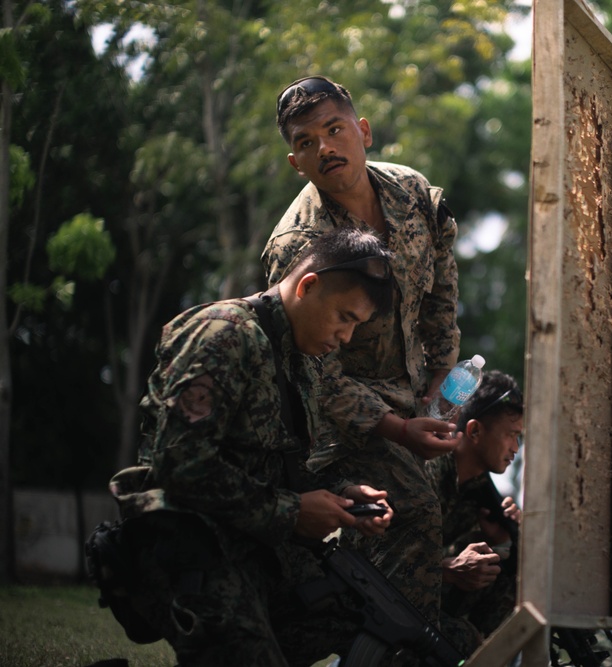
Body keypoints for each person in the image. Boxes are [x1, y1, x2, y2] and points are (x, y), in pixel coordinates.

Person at [108, 227, 396, 667]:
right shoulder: (223, 334)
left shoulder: (297, 359)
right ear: (308, 285)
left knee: (372, 626)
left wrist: (341, 495)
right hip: (189, 543)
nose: (346, 338)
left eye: (356, 325)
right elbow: (179, 462)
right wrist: (293, 512)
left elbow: (276, 464)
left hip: (254, 547)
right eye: (345, 317)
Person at [261, 76, 464, 642]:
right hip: (338, 422)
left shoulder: (412, 192)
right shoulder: (299, 244)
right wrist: (398, 428)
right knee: (415, 514)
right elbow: (313, 372)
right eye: (305, 142)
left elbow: (442, 288)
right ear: (295, 162)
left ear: (363, 132)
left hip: (417, 397)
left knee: (421, 521)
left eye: (334, 130)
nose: (324, 148)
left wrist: (441, 378)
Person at [424, 370, 524, 642]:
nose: (516, 448)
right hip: (370, 595)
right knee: (462, 640)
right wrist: (448, 569)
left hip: (426, 610)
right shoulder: (426, 469)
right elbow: (380, 558)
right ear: (475, 430)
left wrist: (503, 542)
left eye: (520, 438)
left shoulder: (483, 498)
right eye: (511, 435)